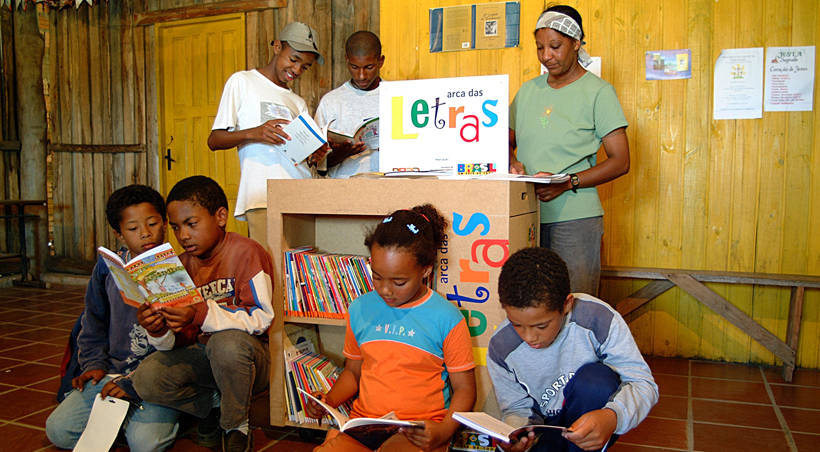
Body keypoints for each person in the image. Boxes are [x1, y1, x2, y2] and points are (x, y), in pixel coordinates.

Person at [305, 205, 477, 452]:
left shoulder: (447, 318)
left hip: (418, 431)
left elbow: (465, 389)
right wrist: (327, 401)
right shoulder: (359, 309)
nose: (385, 290)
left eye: (399, 282)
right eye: (377, 276)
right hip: (362, 426)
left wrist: (443, 431)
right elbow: (354, 373)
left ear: (426, 270)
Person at [129, 175, 274, 452]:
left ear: (220, 216)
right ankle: (214, 406)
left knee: (225, 343)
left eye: (191, 224)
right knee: (146, 378)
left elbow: (262, 317)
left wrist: (200, 313)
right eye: (175, 227)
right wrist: (158, 329)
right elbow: (178, 340)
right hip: (204, 355)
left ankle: (235, 426)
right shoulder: (179, 266)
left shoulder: (246, 252)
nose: (183, 235)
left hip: (251, 359)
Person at [45, 184, 180, 452]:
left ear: (164, 224)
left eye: (152, 223)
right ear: (119, 234)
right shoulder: (107, 269)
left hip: (154, 379)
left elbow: (185, 344)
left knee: (145, 445)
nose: (145, 233)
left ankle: (143, 416)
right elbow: (92, 322)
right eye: (133, 229)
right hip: (112, 374)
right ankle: (124, 417)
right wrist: (94, 365)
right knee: (58, 431)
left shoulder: (181, 269)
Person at [508, 5, 630, 296]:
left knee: (575, 300)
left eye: (555, 46)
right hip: (525, 214)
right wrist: (511, 160)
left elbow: (620, 160)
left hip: (575, 218)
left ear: (576, 44)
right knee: (533, 301)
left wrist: (569, 182)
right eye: (540, 47)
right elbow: (504, 140)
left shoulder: (598, 93)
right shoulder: (527, 91)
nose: (546, 55)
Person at [487, 247, 657, 452]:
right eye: (516, 324)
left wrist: (612, 417)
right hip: (543, 434)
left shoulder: (598, 319)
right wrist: (517, 435)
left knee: (596, 381)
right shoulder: (501, 347)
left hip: (592, 422)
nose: (529, 337)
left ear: (567, 304)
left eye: (541, 326)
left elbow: (643, 384)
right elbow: (515, 408)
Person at [207, 21, 328, 246]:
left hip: (300, 195)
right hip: (262, 195)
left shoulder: (297, 102)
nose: (297, 70)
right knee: (273, 270)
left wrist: (314, 153)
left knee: (299, 271)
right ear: (277, 47)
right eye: (294, 60)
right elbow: (215, 140)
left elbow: (298, 154)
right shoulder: (242, 82)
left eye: (305, 67)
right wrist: (256, 133)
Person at [314, 30, 384, 178]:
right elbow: (318, 166)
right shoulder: (330, 102)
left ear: (381, 61)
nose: (361, 75)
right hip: (342, 192)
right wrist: (342, 154)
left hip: (388, 189)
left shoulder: (395, 97)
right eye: (354, 67)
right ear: (347, 60)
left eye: (369, 67)